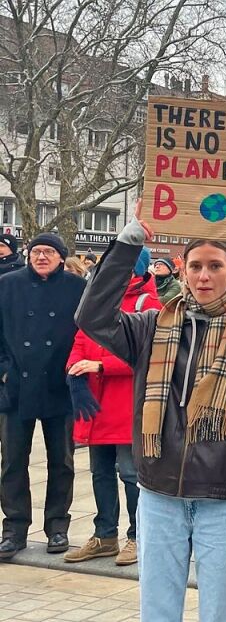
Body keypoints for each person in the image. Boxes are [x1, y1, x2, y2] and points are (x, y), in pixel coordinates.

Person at [74, 211, 226, 620]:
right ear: (182, 268)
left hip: (225, 500)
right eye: (195, 266)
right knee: (158, 612)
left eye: (216, 266)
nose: (204, 276)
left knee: (222, 614)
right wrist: (129, 242)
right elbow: (92, 316)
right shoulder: (150, 327)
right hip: (159, 495)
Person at [62, 248, 163, 567]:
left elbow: (148, 354)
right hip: (95, 403)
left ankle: (137, 536)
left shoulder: (149, 305)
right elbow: (79, 340)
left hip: (126, 403)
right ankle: (105, 535)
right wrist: (74, 366)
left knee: (130, 473)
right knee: (100, 472)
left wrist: (101, 365)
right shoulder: (98, 301)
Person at [0, 233, 86, 561]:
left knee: (61, 461)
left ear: (62, 257)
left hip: (59, 384)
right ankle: (14, 529)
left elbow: (86, 331)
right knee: (12, 462)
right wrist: (4, 370)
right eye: (36, 251)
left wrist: (74, 368)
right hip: (16, 386)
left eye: (49, 252)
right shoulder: (7, 284)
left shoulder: (76, 288)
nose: (41, 257)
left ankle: (57, 527)